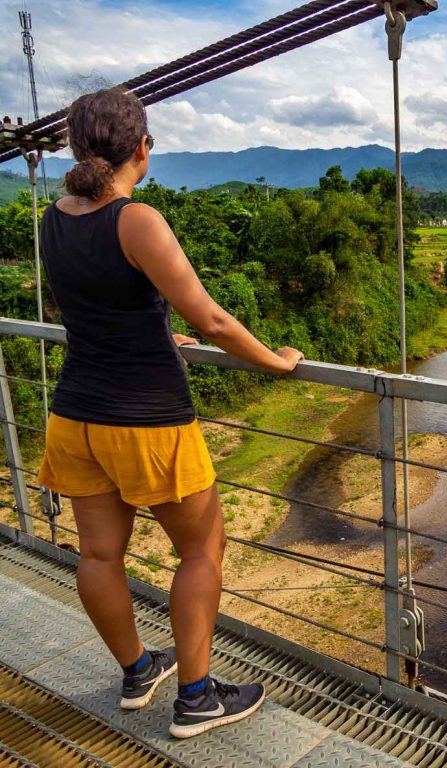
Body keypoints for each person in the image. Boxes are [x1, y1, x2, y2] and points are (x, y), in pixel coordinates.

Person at [36, 87, 304, 739]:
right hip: (147, 418)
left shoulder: (52, 217)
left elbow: (101, 309)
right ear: (141, 148)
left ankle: (137, 672)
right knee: (203, 548)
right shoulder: (137, 220)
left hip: (76, 416)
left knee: (99, 556)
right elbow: (209, 317)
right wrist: (276, 361)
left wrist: (159, 335)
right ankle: (195, 698)